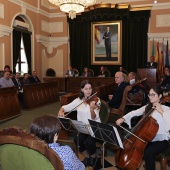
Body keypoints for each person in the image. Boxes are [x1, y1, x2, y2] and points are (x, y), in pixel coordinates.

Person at [116, 86, 170, 170]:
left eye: (153, 95)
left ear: (160, 96)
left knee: (148, 152)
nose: (150, 97)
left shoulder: (166, 109)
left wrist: (161, 111)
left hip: (161, 141)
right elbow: (134, 112)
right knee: (133, 150)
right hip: (147, 139)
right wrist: (123, 118)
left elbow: (168, 124)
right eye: (149, 95)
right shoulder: (148, 107)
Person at [58, 79, 101, 167]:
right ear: (82, 89)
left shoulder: (96, 100)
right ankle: (87, 157)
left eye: (90, 88)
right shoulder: (78, 101)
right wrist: (61, 111)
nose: (89, 91)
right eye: (86, 89)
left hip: (94, 127)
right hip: (83, 128)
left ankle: (94, 158)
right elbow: (65, 107)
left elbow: (94, 117)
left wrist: (92, 109)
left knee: (89, 141)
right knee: (77, 140)